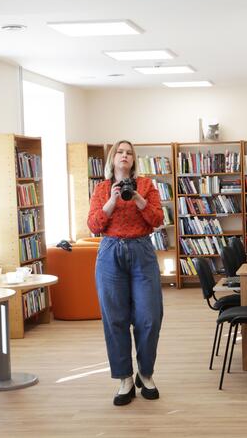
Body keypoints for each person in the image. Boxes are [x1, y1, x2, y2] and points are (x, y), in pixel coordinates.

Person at [88, 140, 165, 406]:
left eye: (129, 153)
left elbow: (157, 220)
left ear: (134, 160)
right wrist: (112, 199)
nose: (124, 156)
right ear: (113, 158)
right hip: (110, 253)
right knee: (115, 319)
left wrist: (139, 199)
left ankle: (146, 373)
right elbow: (94, 225)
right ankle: (124, 378)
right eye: (120, 152)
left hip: (141, 251)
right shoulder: (101, 189)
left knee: (149, 316)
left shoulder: (146, 185)